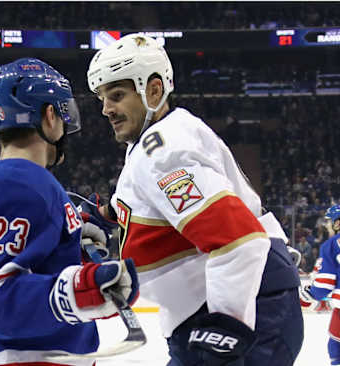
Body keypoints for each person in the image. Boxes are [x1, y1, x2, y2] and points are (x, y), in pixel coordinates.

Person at [86, 33, 303, 366]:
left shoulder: (164, 152)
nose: (106, 110)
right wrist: (106, 214)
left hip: (246, 312)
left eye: (116, 95)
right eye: (102, 98)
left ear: (154, 90)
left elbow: (238, 239)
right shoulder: (155, 139)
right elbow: (158, 207)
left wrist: (226, 329)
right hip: (212, 309)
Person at [0, 58, 139, 366]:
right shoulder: (14, 182)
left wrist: (72, 243)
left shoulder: (7, 180)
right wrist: (85, 287)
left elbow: (28, 266)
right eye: (62, 113)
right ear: (50, 115)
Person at [300, 204, 340, 365]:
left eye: (329, 223)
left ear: (338, 223)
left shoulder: (332, 244)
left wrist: (309, 295)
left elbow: (325, 283)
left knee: (336, 348)